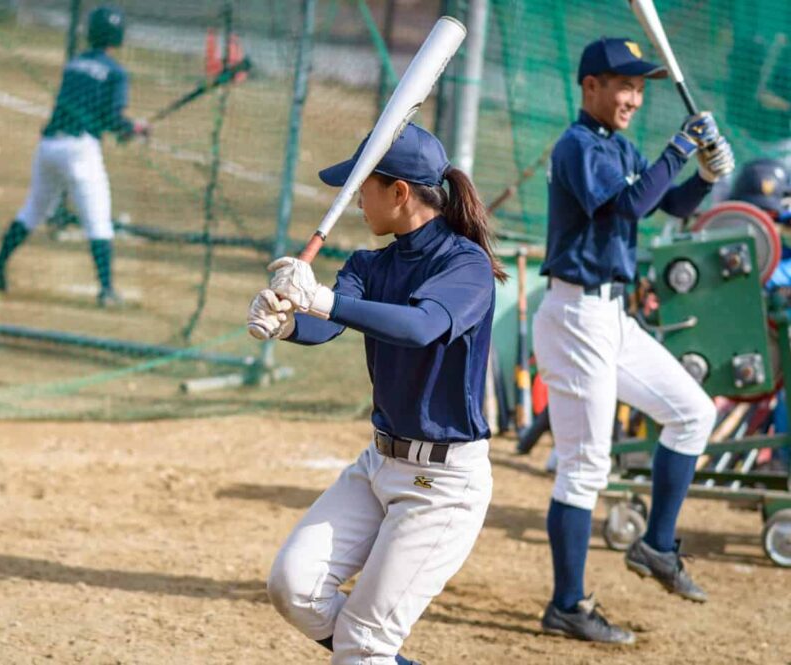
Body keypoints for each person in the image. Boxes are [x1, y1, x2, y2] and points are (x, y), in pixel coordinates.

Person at [246, 123, 507, 664]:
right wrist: (288, 322)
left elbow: (420, 326)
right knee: (293, 587)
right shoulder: (371, 264)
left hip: (444, 484)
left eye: (362, 186)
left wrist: (317, 299)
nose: (355, 200)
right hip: (378, 463)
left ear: (399, 192)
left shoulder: (466, 265)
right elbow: (328, 323)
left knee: (363, 644)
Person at [532, 37, 736, 644]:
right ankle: (567, 604)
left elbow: (660, 202)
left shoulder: (615, 144)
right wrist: (680, 145)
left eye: (640, 87)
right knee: (585, 466)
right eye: (623, 85)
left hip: (611, 318)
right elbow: (626, 204)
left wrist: (701, 174)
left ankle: (656, 546)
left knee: (692, 413)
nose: (634, 97)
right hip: (574, 318)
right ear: (589, 86)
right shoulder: (575, 145)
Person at [0, 5, 146, 308]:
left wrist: (123, 129)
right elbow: (111, 117)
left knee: (33, 210)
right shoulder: (116, 73)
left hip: (48, 146)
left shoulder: (74, 64)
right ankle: (107, 290)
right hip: (79, 151)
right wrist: (133, 128)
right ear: (118, 36)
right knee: (98, 220)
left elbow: (88, 108)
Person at [730, 158, 791, 470]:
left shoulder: (785, 253)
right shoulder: (727, 247)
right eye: (758, 217)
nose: (766, 224)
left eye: (771, 218)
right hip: (742, 355)